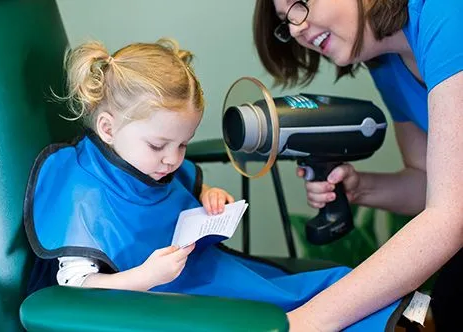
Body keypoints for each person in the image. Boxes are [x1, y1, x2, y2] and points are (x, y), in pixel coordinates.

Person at [23, 38, 404, 331]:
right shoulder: (80, 192)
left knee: (325, 291)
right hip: (142, 302)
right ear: (107, 128)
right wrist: (146, 276)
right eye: (159, 145)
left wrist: (207, 197)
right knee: (274, 311)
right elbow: (74, 288)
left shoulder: (156, 165)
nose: (174, 159)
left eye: (183, 144)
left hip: (193, 272)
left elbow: (178, 190)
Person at [253, 0, 463, 331]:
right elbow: (429, 182)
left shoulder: (447, 14)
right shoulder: (388, 67)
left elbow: (450, 216)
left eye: (302, 3)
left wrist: (306, 321)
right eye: (285, 21)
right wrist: (361, 186)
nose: (296, 29)